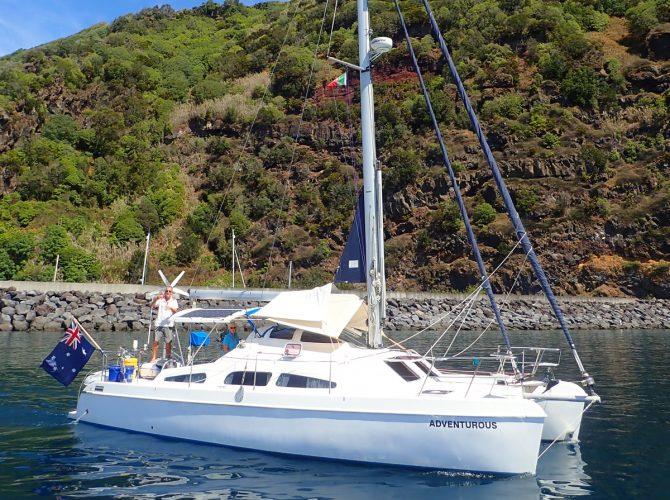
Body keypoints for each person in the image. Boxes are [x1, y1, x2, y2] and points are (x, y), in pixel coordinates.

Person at [151, 286, 179, 360]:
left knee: (168, 342)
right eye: (167, 291)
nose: (168, 292)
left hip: (168, 324)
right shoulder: (161, 300)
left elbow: (176, 311)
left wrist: (170, 307)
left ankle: (168, 357)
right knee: (155, 341)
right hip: (159, 324)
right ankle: (153, 357)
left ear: (172, 293)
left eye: (170, 291)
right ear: (165, 292)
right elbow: (152, 306)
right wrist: (156, 298)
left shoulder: (174, 301)